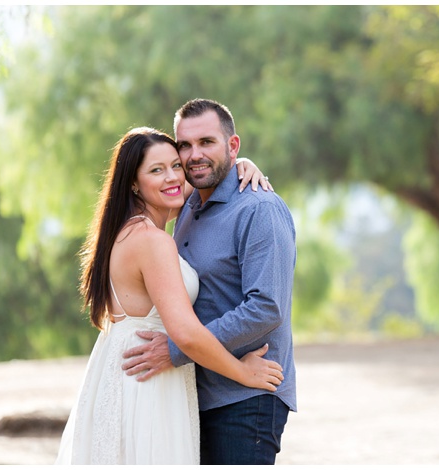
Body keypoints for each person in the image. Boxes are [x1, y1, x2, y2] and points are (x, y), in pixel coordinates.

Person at [54, 126, 282, 465]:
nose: (172, 177)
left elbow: (198, 178)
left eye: (176, 165)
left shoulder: (126, 230)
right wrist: (243, 372)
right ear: (134, 183)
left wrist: (239, 164)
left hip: (125, 374)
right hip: (149, 385)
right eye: (156, 170)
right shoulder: (153, 241)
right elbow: (186, 334)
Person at [121, 98, 297, 465]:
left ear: (233, 146)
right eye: (184, 145)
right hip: (190, 396)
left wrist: (176, 348)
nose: (193, 155)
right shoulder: (186, 205)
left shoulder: (259, 209)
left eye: (207, 142)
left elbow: (266, 308)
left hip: (245, 397)